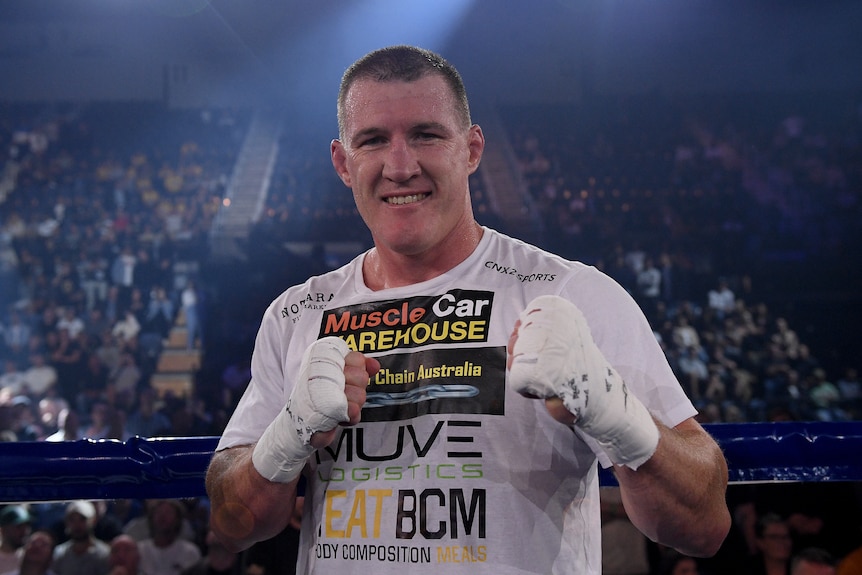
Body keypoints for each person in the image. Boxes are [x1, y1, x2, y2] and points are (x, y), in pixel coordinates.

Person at [205, 45, 730, 574]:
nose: (401, 166)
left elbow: (703, 526)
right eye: (373, 141)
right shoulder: (297, 314)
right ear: (344, 163)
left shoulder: (571, 295)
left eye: (426, 135)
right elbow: (233, 525)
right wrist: (288, 433)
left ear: (472, 148)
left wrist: (612, 410)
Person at [137, 500, 201, 575]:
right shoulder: (140, 550)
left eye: (168, 512)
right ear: (151, 517)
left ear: (177, 519)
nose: (163, 516)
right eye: (158, 512)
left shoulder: (190, 552)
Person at [51, 500, 110, 575]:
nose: (77, 525)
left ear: (93, 520)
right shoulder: (59, 553)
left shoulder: (104, 554)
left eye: (82, 519)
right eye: (72, 520)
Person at [0, 506, 32, 573]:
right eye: (19, 527)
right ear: (3, 530)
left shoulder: (29, 558)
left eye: (26, 527)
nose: (24, 532)